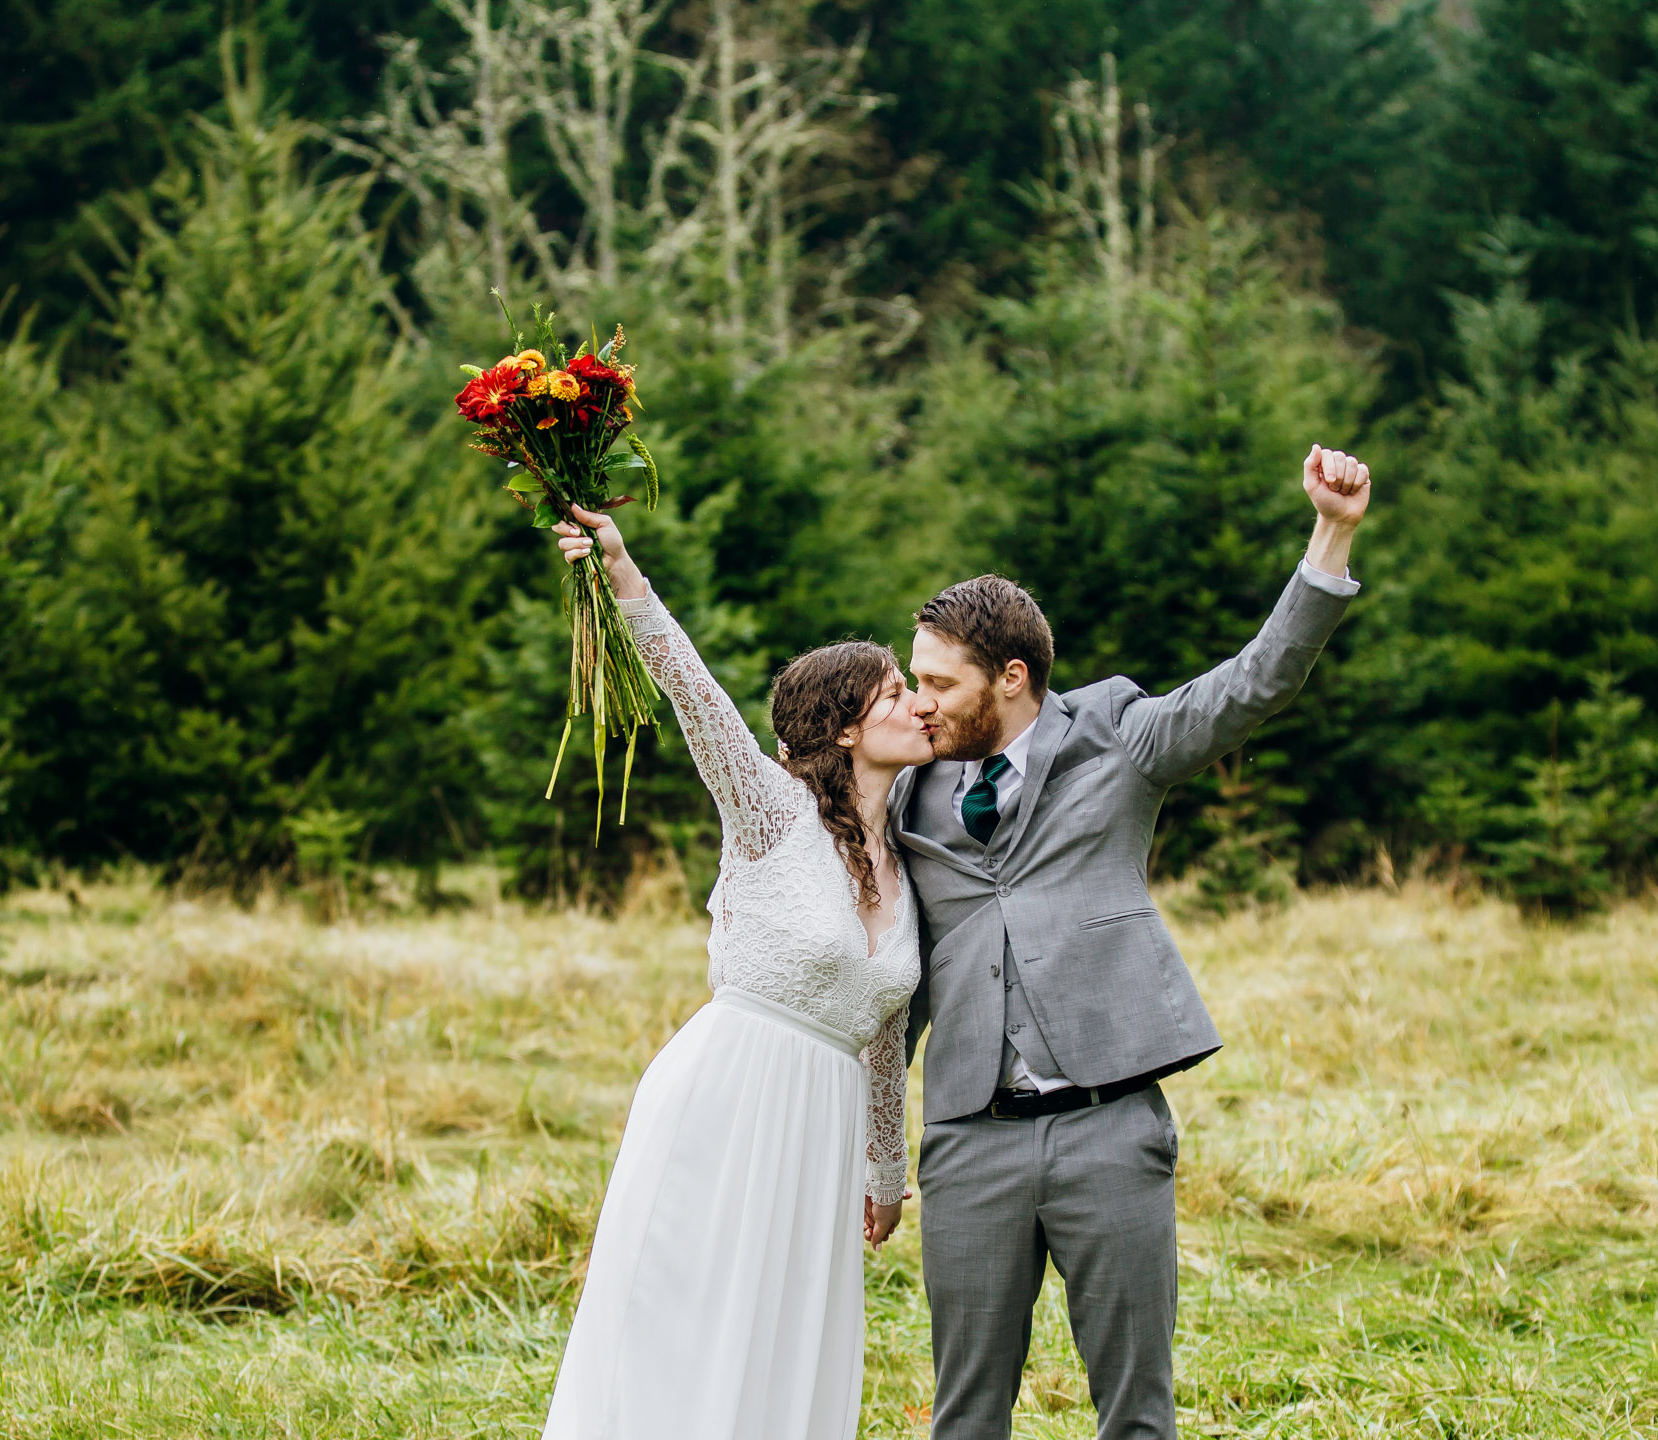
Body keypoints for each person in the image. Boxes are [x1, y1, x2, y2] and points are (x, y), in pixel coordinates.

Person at [896, 444, 1373, 1440]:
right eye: (915, 679)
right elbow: (883, 975)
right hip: (967, 1140)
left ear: (1013, 678)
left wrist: (1332, 532)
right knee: (964, 1419)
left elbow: (1253, 686)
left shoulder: (1116, 741)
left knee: (1137, 1419)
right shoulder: (905, 789)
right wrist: (860, 1151)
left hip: (1108, 1131)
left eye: (940, 682)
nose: (920, 700)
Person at [536, 502, 928, 1440]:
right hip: (730, 1097)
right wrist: (621, 571)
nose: (919, 703)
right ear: (841, 727)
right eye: (895, 693)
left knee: (786, 1341)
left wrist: (884, 1170)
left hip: (820, 1132)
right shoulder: (769, 807)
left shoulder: (911, 869)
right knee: (686, 1328)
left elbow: (880, 1031)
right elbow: (691, 687)